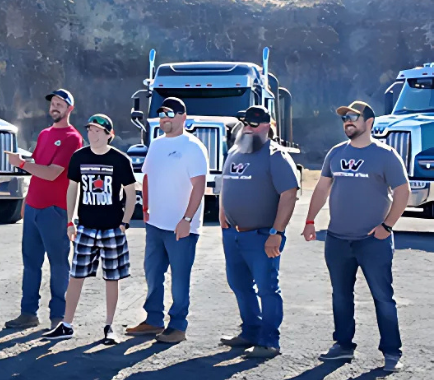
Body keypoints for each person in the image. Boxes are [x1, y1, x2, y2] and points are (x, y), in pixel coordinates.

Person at [304, 101, 409, 373]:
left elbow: (402, 192)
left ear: (369, 122)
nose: (348, 121)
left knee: (383, 297)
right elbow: (322, 188)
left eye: (353, 116)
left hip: (373, 241)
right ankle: (343, 345)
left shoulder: (385, 155)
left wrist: (387, 226)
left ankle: (391, 352)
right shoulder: (336, 153)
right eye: (345, 118)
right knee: (341, 296)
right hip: (338, 240)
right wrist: (310, 220)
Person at [43, 114, 136, 345]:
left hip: (112, 228)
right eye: (90, 130)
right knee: (76, 276)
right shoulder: (79, 157)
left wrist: (124, 222)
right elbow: (72, 189)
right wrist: (70, 221)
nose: (92, 134)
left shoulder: (120, 160)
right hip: (85, 227)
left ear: (109, 134)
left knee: (112, 278)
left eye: (97, 131)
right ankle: (66, 324)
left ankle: (109, 326)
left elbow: (131, 192)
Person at [218, 106, 299, 359]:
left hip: (262, 235)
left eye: (254, 124)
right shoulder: (234, 152)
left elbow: (289, 193)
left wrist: (277, 232)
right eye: (245, 123)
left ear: (267, 126)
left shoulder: (275, 155)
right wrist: (222, 213)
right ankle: (250, 331)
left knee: (267, 288)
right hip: (233, 234)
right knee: (239, 284)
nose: (248, 128)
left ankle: (269, 341)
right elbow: (225, 184)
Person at [126, 97, 208, 344]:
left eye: (170, 114)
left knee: (179, 278)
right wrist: (146, 208)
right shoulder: (157, 144)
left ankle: (178, 326)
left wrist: (187, 219)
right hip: (155, 223)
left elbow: (199, 185)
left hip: (181, 227)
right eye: (162, 114)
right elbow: (147, 177)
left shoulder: (193, 147)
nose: (165, 119)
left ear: (183, 117)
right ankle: (153, 320)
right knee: (153, 274)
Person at [4, 89, 83, 330]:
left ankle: (58, 316)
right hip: (34, 207)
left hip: (55, 210)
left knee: (58, 265)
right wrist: (27, 200)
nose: (55, 107)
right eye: (53, 103)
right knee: (31, 263)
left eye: (60, 104)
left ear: (70, 109)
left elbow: (52, 173)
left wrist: (21, 163)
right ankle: (28, 313)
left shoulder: (72, 138)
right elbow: (37, 168)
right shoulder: (45, 134)